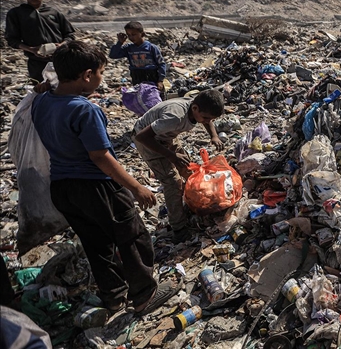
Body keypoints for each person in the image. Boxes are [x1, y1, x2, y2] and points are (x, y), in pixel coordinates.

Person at [30, 41, 166, 314]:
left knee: (96, 243)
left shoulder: (42, 101)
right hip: (96, 187)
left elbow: (44, 95)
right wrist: (137, 187)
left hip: (62, 188)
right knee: (132, 237)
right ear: (87, 75)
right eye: (101, 72)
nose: (102, 78)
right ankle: (144, 295)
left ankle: (113, 297)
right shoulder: (85, 110)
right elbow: (100, 157)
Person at [132, 90, 225, 242]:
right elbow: (142, 136)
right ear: (195, 108)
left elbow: (207, 119)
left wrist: (214, 136)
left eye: (211, 119)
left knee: (190, 171)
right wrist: (171, 156)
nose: (207, 121)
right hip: (148, 142)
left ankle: (197, 205)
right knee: (173, 183)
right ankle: (178, 227)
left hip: (166, 136)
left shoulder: (196, 109)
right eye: (205, 118)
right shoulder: (174, 117)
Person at [4, 0, 76, 83]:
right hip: (37, 63)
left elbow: (70, 34)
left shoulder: (54, 12)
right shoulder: (16, 14)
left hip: (61, 60)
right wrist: (31, 49)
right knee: (42, 88)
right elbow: (12, 40)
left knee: (66, 86)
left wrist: (61, 46)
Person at [109, 21, 167, 92]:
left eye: (133, 34)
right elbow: (113, 55)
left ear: (142, 34)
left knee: (154, 95)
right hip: (137, 76)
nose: (131, 37)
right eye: (128, 35)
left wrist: (160, 80)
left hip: (151, 76)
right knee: (140, 96)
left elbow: (161, 64)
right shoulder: (128, 48)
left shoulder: (151, 48)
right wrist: (120, 42)